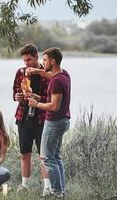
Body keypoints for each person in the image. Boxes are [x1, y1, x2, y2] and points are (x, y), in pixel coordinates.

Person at [28, 47, 71, 198]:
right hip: (63, 120)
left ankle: (56, 192)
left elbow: (54, 106)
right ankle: (60, 191)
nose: (42, 62)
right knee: (56, 157)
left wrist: (35, 104)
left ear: (53, 61)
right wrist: (36, 72)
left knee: (47, 157)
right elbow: (50, 75)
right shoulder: (64, 74)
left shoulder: (56, 82)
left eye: (45, 60)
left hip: (55, 122)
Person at [12, 44, 50, 192]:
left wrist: (36, 97)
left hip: (41, 118)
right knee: (24, 153)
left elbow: (50, 99)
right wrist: (18, 97)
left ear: (36, 57)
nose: (26, 63)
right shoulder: (20, 72)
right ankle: (24, 186)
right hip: (23, 117)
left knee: (43, 155)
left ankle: (47, 188)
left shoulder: (46, 73)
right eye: (24, 60)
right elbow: (15, 91)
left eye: (29, 59)